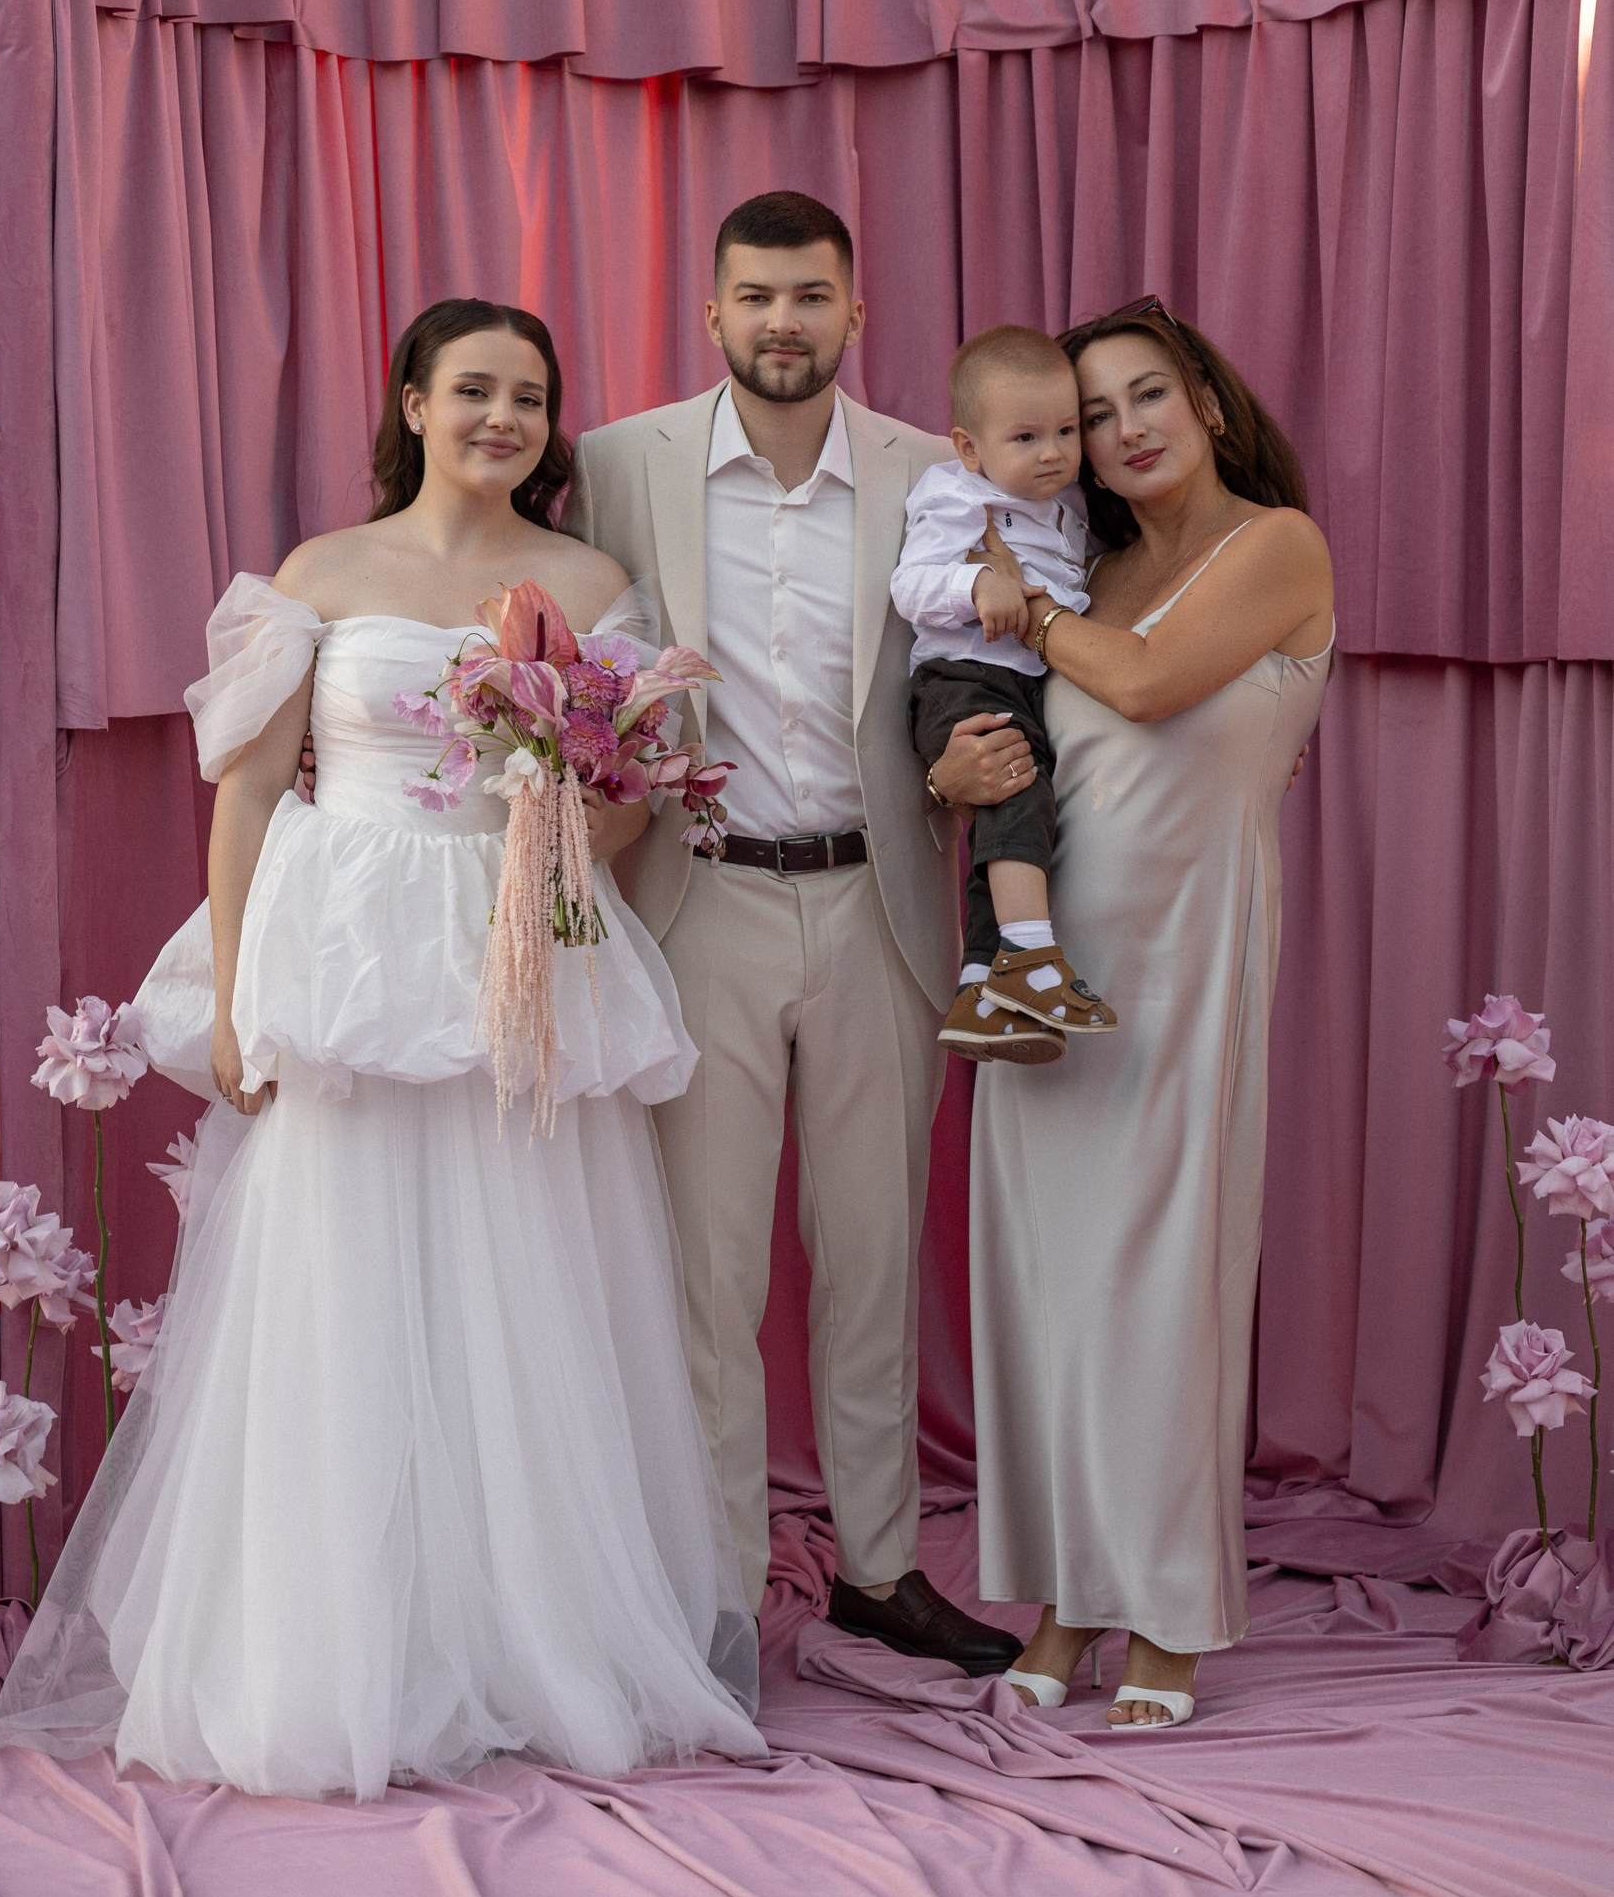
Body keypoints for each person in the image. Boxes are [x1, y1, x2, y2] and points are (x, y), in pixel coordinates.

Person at [0, 299, 766, 1799]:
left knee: (522, 1288)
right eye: (472, 388)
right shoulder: (320, 575)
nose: (501, 417)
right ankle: (331, 1652)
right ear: (412, 401)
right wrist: (232, 997)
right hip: (345, 955)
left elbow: (624, 816)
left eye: (528, 396)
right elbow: (247, 793)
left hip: (516, 954)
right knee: (336, 1288)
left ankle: (517, 1639)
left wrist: (565, 792)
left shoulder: (590, 583)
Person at [562, 191, 1024, 1673]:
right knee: (708, 1275)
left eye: (810, 296)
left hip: (879, 899)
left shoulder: (930, 471)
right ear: (712, 313)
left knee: (874, 1254)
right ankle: (716, 1594)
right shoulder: (615, 464)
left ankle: (878, 1566)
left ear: (853, 313)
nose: (782, 322)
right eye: (756, 296)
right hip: (698, 902)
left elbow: (982, 651)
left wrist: (968, 769)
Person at [968, 297, 1333, 1731]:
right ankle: (1069, 1599)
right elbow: (1033, 753)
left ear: (1207, 402)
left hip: (1185, 964)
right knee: (1050, 1293)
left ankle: (1169, 1615)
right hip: (1045, 972)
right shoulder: (1093, 568)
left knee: (1162, 1292)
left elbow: (1142, 680)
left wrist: (1030, 609)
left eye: (1146, 396)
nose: (1121, 430)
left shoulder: (1276, 546)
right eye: (1092, 412)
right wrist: (958, 770)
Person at [892, 323, 1115, 1065]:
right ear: (969, 447)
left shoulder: (1068, 507)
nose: (1052, 452)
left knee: (1013, 825)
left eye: (1065, 431)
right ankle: (1031, 958)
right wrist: (977, 581)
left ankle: (982, 993)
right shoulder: (958, 494)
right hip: (962, 677)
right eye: (1025, 437)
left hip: (1023, 682)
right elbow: (910, 586)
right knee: (1017, 798)